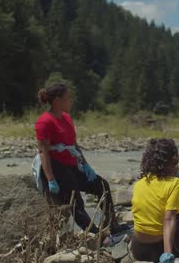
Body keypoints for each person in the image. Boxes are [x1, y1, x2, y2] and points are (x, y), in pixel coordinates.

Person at [34, 83, 123, 238]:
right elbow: (43, 152)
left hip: (72, 166)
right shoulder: (44, 122)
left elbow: (73, 146)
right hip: (56, 167)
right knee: (76, 201)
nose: (71, 101)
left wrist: (87, 167)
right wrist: (51, 179)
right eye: (68, 98)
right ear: (57, 100)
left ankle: (112, 225)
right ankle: (96, 236)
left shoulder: (67, 118)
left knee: (102, 185)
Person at [130, 139, 179, 263]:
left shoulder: (140, 183)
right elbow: (169, 219)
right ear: (171, 162)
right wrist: (167, 254)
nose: (177, 167)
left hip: (138, 250)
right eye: (175, 163)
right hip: (159, 251)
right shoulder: (174, 183)